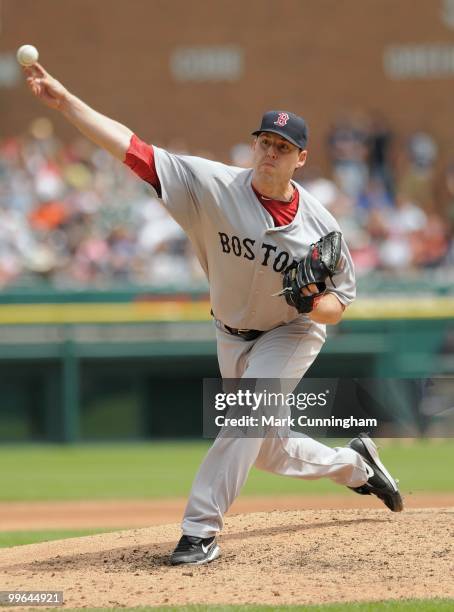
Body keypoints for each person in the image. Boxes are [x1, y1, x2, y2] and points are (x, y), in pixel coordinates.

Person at [23, 63, 403, 566]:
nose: (271, 152)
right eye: (265, 142)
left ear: (301, 158)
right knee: (266, 447)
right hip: (231, 332)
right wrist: (67, 102)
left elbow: (338, 306)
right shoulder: (212, 185)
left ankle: (198, 532)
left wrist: (311, 300)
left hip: (291, 331)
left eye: (283, 147)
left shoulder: (320, 227)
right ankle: (357, 465)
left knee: (247, 417)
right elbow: (132, 150)